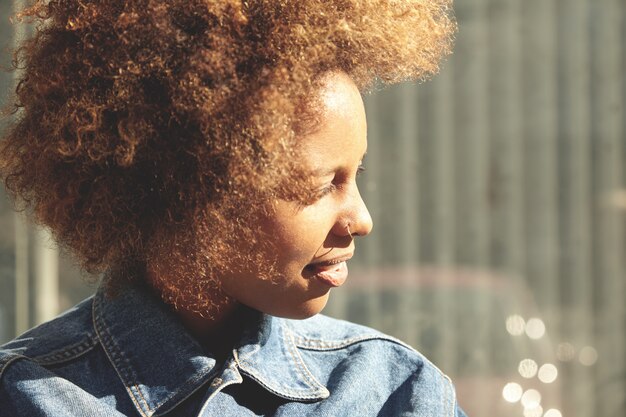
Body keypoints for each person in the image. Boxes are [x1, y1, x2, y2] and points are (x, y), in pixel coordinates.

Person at [0, 0, 466, 415]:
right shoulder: (26, 398)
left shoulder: (396, 392)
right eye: (321, 186)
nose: (361, 220)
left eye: (355, 176)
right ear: (195, 189)